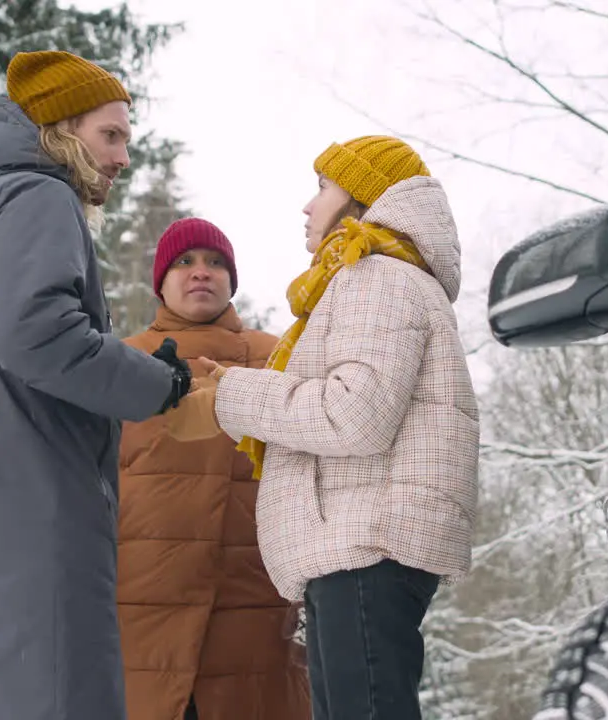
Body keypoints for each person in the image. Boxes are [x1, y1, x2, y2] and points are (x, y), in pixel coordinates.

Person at [0, 50, 194, 720]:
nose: (123, 157)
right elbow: (36, 334)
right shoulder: (39, 195)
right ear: (61, 130)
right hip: (27, 525)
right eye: (111, 135)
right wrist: (161, 385)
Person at [166, 136, 480, 720]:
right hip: (363, 544)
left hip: (365, 543)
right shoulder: (383, 276)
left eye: (321, 188)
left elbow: (351, 415)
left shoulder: (375, 275)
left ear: (360, 197)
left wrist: (231, 394)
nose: (308, 208)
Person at [115, 217, 311, 720]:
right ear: (160, 280)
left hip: (256, 611)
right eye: (184, 262)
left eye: (215, 262)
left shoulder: (280, 358)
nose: (201, 272)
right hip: (143, 608)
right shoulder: (120, 365)